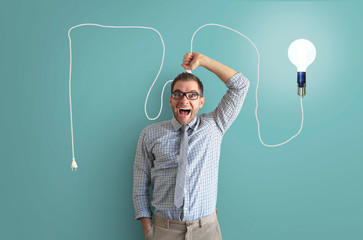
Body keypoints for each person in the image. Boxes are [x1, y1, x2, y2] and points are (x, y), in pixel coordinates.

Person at [133, 52, 250, 240]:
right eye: (178, 94)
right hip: (164, 231)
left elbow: (240, 85)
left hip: (207, 230)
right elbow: (139, 187)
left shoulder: (214, 125)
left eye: (192, 95)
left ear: (201, 102)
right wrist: (149, 231)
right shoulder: (150, 134)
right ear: (171, 100)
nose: (184, 100)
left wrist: (204, 61)